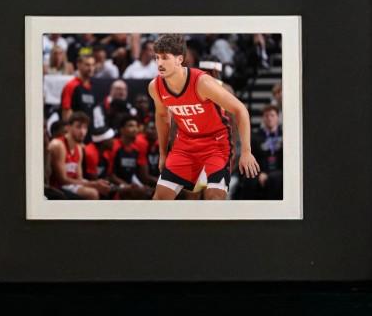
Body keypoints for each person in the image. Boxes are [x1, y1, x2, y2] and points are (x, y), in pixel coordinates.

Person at [149, 33, 259, 200]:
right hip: (185, 145)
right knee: (160, 199)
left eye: (165, 58)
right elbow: (162, 117)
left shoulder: (203, 83)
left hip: (215, 144)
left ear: (180, 59)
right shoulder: (155, 86)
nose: (159, 63)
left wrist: (245, 151)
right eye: (157, 57)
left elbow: (240, 110)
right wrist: (163, 153)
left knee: (214, 198)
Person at [45, 113, 106, 199]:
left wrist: (97, 183)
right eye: (78, 127)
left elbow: (79, 178)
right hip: (56, 187)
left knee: (102, 190)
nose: (82, 132)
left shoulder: (79, 148)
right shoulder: (58, 145)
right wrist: (93, 184)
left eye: (85, 128)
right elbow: (62, 180)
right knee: (92, 193)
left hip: (69, 185)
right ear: (68, 127)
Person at [103, 116, 152, 198]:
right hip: (115, 185)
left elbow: (138, 174)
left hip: (130, 184)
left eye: (136, 126)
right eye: (131, 126)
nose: (135, 129)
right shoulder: (113, 146)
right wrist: (128, 186)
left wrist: (140, 185)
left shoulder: (137, 149)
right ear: (122, 130)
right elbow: (110, 175)